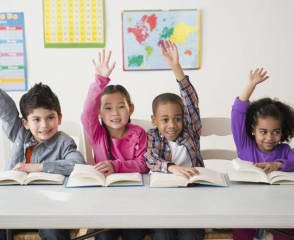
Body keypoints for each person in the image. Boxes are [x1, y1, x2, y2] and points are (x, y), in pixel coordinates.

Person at [0, 83, 85, 240]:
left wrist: (39, 167)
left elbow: (78, 165)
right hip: (17, 208)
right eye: (36, 119)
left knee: (52, 231)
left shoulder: (64, 142)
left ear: (59, 118)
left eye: (50, 117)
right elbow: (5, 108)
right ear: (26, 123)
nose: (44, 125)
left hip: (51, 210)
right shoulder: (20, 133)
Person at [231, 68, 294, 240]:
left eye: (276, 132)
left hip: (278, 208)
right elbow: (237, 113)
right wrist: (250, 85)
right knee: (241, 230)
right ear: (253, 130)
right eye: (263, 131)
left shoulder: (283, 151)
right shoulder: (244, 146)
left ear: (282, 130)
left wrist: (279, 164)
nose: (269, 137)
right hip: (247, 207)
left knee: (285, 232)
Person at [81, 49, 148, 240]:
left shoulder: (138, 133)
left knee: (134, 234)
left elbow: (143, 164)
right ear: (99, 113)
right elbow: (86, 114)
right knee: (103, 236)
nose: (115, 113)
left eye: (121, 107)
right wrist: (100, 80)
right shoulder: (97, 134)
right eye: (108, 108)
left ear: (130, 109)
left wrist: (115, 165)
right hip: (105, 201)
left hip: (135, 200)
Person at [144, 40, 204, 240]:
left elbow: (190, 100)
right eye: (165, 119)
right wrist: (172, 167)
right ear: (154, 120)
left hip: (192, 198)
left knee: (190, 234)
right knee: (162, 234)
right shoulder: (153, 136)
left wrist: (175, 67)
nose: (172, 125)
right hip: (163, 200)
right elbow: (150, 158)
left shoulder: (190, 131)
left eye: (177, 118)